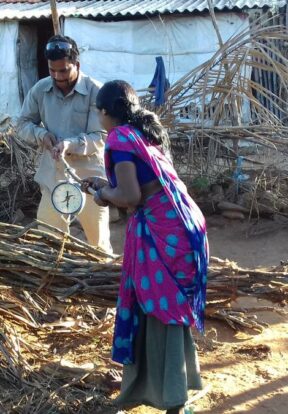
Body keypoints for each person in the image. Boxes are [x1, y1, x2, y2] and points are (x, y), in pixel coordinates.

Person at [82, 80, 209, 414]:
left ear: (106, 112)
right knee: (167, 307)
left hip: (163, 228)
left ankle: (172, 399)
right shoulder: (142, 134)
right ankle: (172, 390)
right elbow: (138, 187)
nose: (99, 116)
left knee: (159, 307)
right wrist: (104, 187)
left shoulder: (120, 137)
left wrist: (103, 194)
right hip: (181, 223)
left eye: (98, 111)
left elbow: (130, 197)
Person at [16, 34, 112, 253]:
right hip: (53, 178)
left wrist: (69, 144)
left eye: (64, 70)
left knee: (99, 247)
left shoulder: (96, 91)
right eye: (52, 70)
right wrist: (41, 135)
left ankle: (101, 286)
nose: (57, 76)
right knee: (49, 245)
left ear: (77, 64)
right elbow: (22, 124)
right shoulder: (40, 90)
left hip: (89, 181)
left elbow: (101, 136)